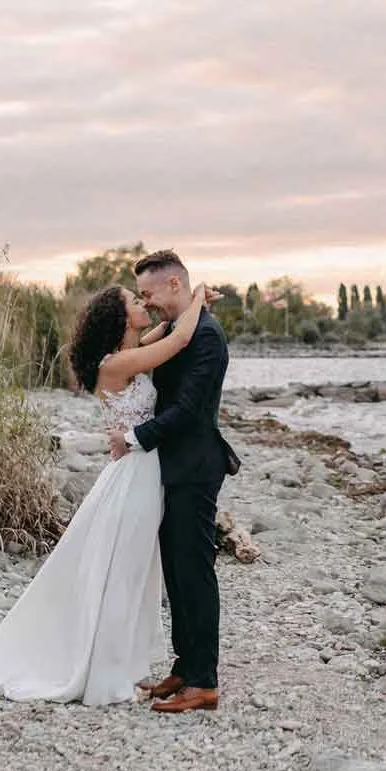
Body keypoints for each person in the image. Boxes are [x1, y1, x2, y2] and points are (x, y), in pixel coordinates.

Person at [0, 281, 209, 706]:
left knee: (135, 570)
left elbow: (162, 334)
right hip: (135, 476)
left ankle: (123, 661)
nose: (143, 304)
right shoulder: (115, 365)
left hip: (139, 469)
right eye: (135, 301)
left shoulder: (126, 354)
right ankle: (105, 672)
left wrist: (180, 310)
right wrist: (196, 299)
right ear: (120, 318)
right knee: (122, 571)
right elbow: (178, 339)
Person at [109, 249, 236, 715]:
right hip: (169, 469)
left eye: (149, 293)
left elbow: (186, 411)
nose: (147, 302)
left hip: (195, 468)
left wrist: (133, 437)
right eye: (139, 296)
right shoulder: (184, 330)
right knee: (177, 573)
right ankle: (185, 666)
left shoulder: (206, 336)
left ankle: (204, 681)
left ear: (175, 285)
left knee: (195, 572)